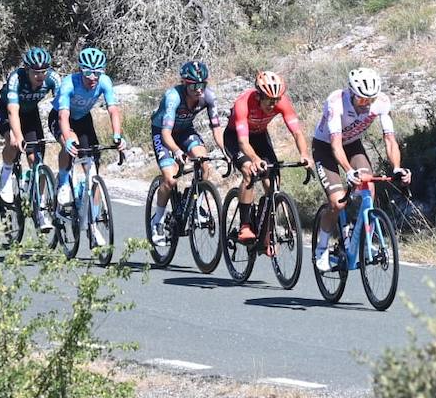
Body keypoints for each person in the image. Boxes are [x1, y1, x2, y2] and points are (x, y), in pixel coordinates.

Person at [310, 66, 411, 271]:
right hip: (325, 147)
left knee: (369, 188)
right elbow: (336, 145)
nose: (366, 104)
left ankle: (360, 238)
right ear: (351, 92)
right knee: (337, 203)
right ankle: (321, 249)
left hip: (353, 146)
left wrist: (397, 167)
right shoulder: (336, 102)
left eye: (370, 99)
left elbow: (390, 140)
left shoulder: (381, 102)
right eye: (362, 99)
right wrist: (348, 171)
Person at [224, 71, 314, 243]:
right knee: (249, 171)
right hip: (235, 138)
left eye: (276, 100)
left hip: (259, 136)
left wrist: (304, 155)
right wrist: (255, 159)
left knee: (273, 182)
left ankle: (264, 228)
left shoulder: (282, 102)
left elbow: (297, 133)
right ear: (259, 96)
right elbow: (243, 143)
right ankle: (245, 226)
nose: (273, 104)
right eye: (269, 100)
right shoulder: (243, 104)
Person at [147, 60, 221, 245]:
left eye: (202, 84)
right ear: (185, 84)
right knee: (170, 179)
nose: (199, 89)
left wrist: (224, 150)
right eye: (194, 85)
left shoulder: (209, 97)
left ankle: (195, 203)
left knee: (204, 163)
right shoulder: (173, 97)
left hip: (186, 131)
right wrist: (177, 152)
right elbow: (165, 134)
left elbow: (217, 129)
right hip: (163, 133)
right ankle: (157, 221)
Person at [52, 46, 125, 211]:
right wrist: (68, 139)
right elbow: (63, 116)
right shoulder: (69, 83)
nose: (93, 78)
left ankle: (94, 216)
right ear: (80, 71)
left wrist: (117, 136)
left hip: (83, 119)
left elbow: (113, 110)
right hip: (61, 117)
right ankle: (63, 182)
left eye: (97, 73)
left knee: (91, 165)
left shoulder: (105, 82)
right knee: (70, 143)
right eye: (88, 73)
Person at [0, 47, 61, 224]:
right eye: (35, 72)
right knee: (14, 142)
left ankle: (40, 208)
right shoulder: (16, 78)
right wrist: (18, 136)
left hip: (31, 115)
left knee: (37, 161)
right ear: (27, 70)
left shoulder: (53, 79)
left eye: (43, 72)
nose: (40, 76)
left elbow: (63, 108)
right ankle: (7, 175)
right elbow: (12, 112)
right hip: (8, 112)